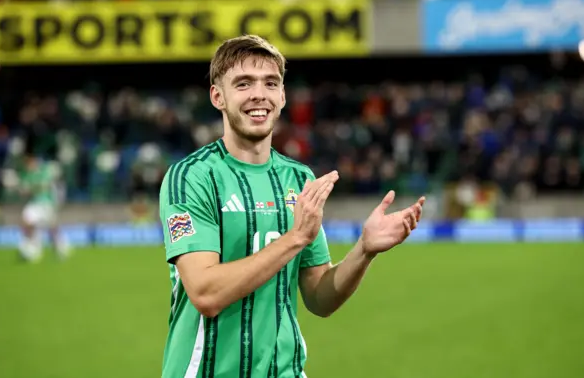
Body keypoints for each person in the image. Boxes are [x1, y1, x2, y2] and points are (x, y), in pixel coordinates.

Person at [158, 35, 425, 378]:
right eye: (243, 83)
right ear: (217, 96)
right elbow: (206, 294)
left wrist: (364, 250)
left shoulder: (298, 179)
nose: (259, 94)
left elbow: (319, 297)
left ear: (282, 96)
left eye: (270, 83)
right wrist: (295, 238)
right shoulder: (191, 177)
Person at [17, 151, 70, 262]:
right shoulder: (27, 174)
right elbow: (24, 190)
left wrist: (33, 188)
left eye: (30, 162)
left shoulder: (44, 171)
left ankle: (59, 246)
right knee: (26, 222)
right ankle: (31, 245)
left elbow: (48, 185)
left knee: (52, 227)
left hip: (46, 203)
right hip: (35, 204)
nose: (29, 165)